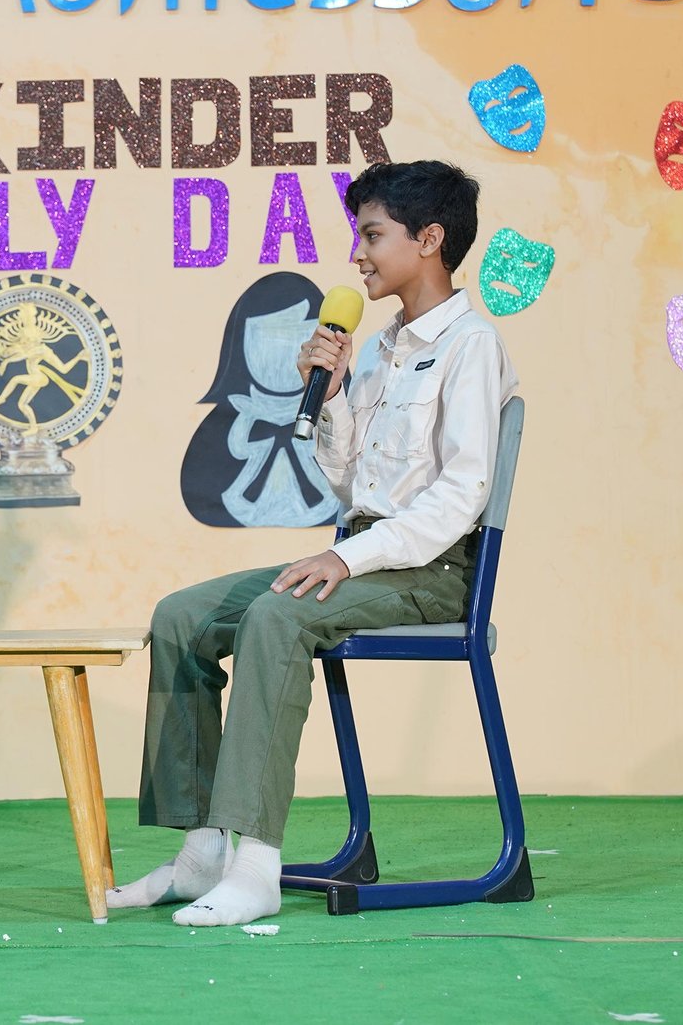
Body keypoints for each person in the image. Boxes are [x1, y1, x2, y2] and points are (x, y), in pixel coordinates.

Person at [112, 160, 518, 927]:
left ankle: (256, 864)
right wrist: (330, 399)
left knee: (277, 615)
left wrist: (346, 557)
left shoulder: (472, 346)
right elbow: (348, 484)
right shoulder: (382, 348)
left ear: (429, 239)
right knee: (181, 616)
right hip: (366, 555)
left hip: (430, 571)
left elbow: (462, 495)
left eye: (373, 235)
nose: (357, 255)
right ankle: (202, 851)